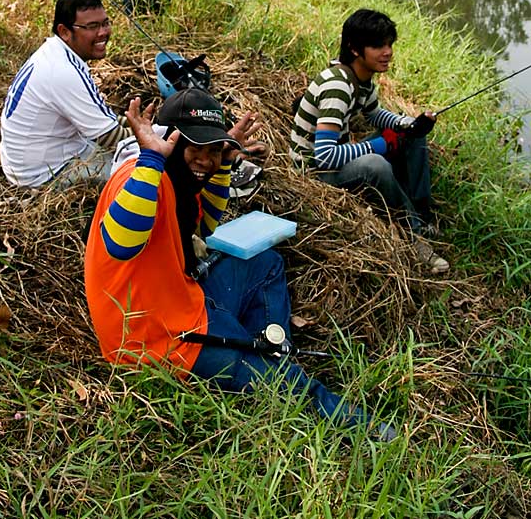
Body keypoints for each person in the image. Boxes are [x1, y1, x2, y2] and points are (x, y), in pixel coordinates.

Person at [85, 87, 395, 438]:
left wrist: (224, 165)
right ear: (169, 140)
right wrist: (152, 158)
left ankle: (269, 349)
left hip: (180, 297)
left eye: (213, 149)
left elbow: (204, 226)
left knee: (265, 264)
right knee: (288, 384)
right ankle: (361, 426)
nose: (206, 159)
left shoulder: (178, 178)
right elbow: (121, 244)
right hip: (155, 337)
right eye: (196, 148)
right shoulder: (140, 175)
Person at [290, 9, 449, 275]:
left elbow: (374, 113)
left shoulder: (361, 78)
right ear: (354, 48)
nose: (387, 52)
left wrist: (406, 124)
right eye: (377, 45)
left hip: (329, 160)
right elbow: (324, 157)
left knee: (414, 136)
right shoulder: (337, 88)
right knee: (375, 164)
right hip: (313, 173)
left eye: (389, 44)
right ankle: (413, 236)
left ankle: (422, 215)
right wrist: (378, 146)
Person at [0, 0, 129, 189]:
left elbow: (101, 116)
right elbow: (109, 137)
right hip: (42, 174)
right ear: (64, 31)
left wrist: (134, 122)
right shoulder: (62, 71)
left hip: (30, 159)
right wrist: (154, 136)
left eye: (105, 23)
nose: (103, 32)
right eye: (92, 26)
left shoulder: (56, 53)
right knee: (137, 173)